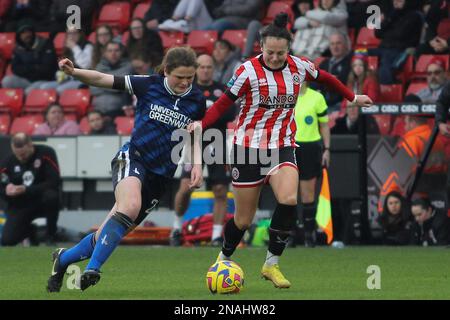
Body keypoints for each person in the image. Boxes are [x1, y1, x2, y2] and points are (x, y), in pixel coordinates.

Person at [188, 13, 372, 289]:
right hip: (247, 149)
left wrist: (352, 97)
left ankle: (271, 263)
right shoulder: (246, 71)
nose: (275, 58)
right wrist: (202, 124)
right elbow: (223, 104)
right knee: (243, 219)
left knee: (288, 199)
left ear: (289, 48)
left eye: (280, 52)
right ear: (261, 47)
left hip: (283, 145)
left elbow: (329, 78)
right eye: (270, 52)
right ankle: (223, 258)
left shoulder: (299, 67)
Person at [46, 46, 206, 292]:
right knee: (129, 207)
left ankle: (63, 259)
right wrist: (74, 72)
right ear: (166, 71)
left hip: (161, 176)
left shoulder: (196, 100)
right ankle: (93, 269)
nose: (185, 82)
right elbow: (102, 78)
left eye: (190, 77)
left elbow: (195, 134)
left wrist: (196, 164)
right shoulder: (148, 84)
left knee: (109, 233)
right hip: (133, 158)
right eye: (180, 77)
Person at [171, 54, 235, 247]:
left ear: (213, 69)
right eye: (202, 67)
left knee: (220, 190)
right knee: (185, 187)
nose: (205, 70)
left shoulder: (222, 90)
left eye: (209, 67)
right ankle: (176, 228)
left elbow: (231, 113)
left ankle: (216, 235)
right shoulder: (187, 90)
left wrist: (204, 114)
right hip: (193, 142)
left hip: (217, 142)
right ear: (196, 68)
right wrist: (211, 112)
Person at [0, 133, 61, 246]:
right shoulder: (8, 162)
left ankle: (50, 235)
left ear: (30, 145)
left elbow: (54, 182)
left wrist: (26, 189)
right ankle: (31, 232)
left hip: (42, 199)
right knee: (7, 241)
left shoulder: (46, 153)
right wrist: (7, 191)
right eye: (18, 155)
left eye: (23, 154)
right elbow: (2, 187)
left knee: (51, 196)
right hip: (21, 203)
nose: (21, 157)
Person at [293, 82, 330, 247]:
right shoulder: (284, 95)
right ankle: (291, 234)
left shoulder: (317, 97)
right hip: (288, 147)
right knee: (288, 195)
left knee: (308, 195)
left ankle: (309, 235)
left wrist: (327, 149)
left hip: (310, 147)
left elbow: (324, 125)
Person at [371, 0, 423, 84]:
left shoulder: (414, 16)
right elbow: (377, 33)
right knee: (359, 53)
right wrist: (393, 14)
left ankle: (387, 92)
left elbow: (400, 34)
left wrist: (387, 27)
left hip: (398, 50)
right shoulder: (391, 14)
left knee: (384, 66)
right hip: (382, 48)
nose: (396, 1)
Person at [32, 26, 94, 94]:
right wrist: (60, 74)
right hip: (68, 79)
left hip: (83, 80)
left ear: (80, 34)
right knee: (44, 87)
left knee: (60, 90)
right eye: (69, 34)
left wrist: (74, 47)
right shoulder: (67, 49)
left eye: (74, 33)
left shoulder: (88, 46)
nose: (72, 36)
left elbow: (85, 65)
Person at [1, 20, 57, 93]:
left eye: (28, 31)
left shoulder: (45, 44)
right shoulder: (18, 49)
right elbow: (15, 68)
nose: (27, 35)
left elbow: (47, 69)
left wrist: (27, 69)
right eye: (23, 33)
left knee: (28, 92)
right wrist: (34, 67)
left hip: (44, 80)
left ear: (32, 32)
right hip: (27, 79)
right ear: (19, 35)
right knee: (7, 81)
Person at [310, 32, 353, 113]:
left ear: (345, 45)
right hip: (321, 104)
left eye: (338, 43)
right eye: (332, 44)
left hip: (338, 105)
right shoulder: (324, 62)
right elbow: (313, 82)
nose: (335, 47)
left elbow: (344, 83)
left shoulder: (350, 63)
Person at [90, 41, 133, 120]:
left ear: (121, 52)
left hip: (118, 111)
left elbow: (123, 84)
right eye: (110, 51)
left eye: (116, 50)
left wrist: (101, 83)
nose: (113, 53)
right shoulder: (99, 67)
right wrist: (114, 86)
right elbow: (93, 89)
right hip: (98, 111)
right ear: (105, 53)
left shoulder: (128, 67)